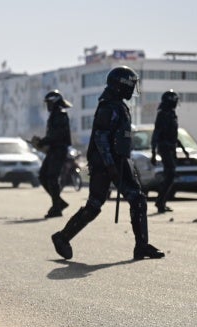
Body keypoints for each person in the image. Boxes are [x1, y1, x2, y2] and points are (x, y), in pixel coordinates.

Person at [51, 66, 165, 261]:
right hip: (106, 164)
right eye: (129, 86)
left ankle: (141, 246)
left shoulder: (117, 105)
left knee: (136, 199)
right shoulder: (109, 107)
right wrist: (110, 165)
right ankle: (62, 237)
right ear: (120, 86)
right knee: (96, 205)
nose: (132, 90)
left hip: (119, 161)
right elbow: (100, 137)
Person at [33, 90, 72, 218]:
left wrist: (43, 141)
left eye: (49, 103)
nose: (48, 106)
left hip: (59, 150)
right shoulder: (54, 114)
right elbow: (52, 135)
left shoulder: (61, 114)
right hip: (53, 150)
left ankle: (57, 208)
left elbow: (57, 135)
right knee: (43, 176)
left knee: (51, 177)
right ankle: (59, 203)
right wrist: (42, 142)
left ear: (54, 102)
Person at [150, 90, 188, 213]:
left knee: (170, 175)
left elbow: (174, 135)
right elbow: (156, 133)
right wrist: (153, 153)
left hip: (171, 148)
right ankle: (160, 201)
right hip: (164, 147)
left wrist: (183, 149)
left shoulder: (172, 114)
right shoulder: (162, 114)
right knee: (170, 173)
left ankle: (161, 201)